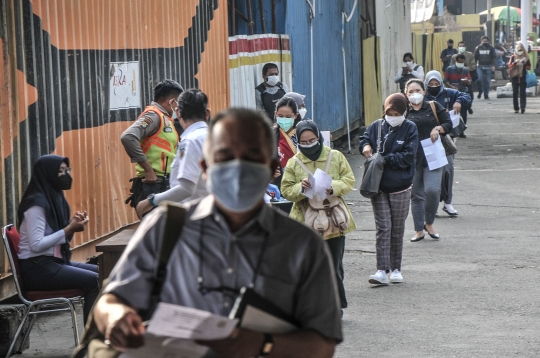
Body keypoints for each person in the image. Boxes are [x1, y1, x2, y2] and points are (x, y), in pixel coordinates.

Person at [93, 108, 342, 357]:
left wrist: (261, 344)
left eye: (252, 156)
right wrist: (117, 318)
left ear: (273, 167)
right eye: (225, 156)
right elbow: (111, 300)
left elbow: (322, 345)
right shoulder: (165, 226)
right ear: (204, 166)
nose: (238, 167)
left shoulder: (302, 245)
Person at [281, 120, 356, 312]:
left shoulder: (336, 156)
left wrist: (333, 188)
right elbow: (286, 190)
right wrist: (301, 188)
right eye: (303, 142)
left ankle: (335, 305)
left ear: (319, 138)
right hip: (305, 222)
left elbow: (349, 180)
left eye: (312, 140)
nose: (308, 144)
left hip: (333, 222)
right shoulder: (293, 163)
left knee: (333, 265)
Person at [17, 155, 98, 323]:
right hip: (37, 269)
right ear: (47, 174)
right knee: (95, 281)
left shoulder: (53, 198)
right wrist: (69, 229)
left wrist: (72, 224)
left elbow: (57, 236)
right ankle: (90, 342)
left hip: (51, 263)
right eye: (60, 172)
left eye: (66, 170)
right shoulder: (36, 205)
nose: (65, 175)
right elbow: (36, 245)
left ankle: (106, 332)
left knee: (105, 271)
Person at [358, 94, 418, 285]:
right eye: (389, 113)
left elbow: (408, 156)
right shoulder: (377, 126)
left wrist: (385, 158)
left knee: (397, 229)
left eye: (397, 113)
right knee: (383, 227)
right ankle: (381, 270)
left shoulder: (410, 128)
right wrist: (366, 146)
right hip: (378, 186)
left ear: (404, 112)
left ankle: (396, 268)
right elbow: (364, 138)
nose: (392, 116)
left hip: (401, 186)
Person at [135, 89, 210, 218]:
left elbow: (187, 188)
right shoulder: (216, 136)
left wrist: (151, 201)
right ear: (207, 113)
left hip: (195, 216)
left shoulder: (190, 141)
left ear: (178, 113)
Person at [122, 80, 184, 208]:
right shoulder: (153, 116)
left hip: (163, 183)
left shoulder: (165, 118)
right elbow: (128, 137)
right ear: (172, 102)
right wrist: (148, 169)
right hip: (153, 184)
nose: (179, 108)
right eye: (178, 104)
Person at [404, 79, 452, 242]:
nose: (414, 94)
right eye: (410, 92)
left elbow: (448, 123)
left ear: (424, 91)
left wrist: (438, 128)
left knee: (432, 191)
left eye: (417, 90)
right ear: (406, 93)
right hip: (411, 158)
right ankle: (419, 229)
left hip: (433, 155)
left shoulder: (433, 106)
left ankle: (429, 222)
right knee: (416, 195)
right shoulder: (404, 110)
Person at [424, 71, 470, 217]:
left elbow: (466, 96)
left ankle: (448, 202)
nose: (433, 86)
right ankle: (432, 205)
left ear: (441, 83)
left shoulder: (449, 93)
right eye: (430, 84)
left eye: (436, 83)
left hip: (445, 137)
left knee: (448, 169)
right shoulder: (423, 96)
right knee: (432, 172)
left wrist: (459, 101)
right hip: (428, 139)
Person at [273, 96, 302, 188]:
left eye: (288, 116)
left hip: (302, 180)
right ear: (276, 114)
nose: (284, 119)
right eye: (280, 116)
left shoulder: (303, 133)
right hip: (278, 182)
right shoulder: (268, 135)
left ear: (295, 115)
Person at [444, 54, 472, 133]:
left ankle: (462, 130)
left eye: (462, 62)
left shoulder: (465, 70)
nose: (461, 63)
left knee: (463, 112)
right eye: (459, 62)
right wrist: (452, 87)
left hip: (463, 91)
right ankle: (453, 129)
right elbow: (445, 80)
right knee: (452, 111)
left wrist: (467, 81)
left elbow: (470, 81)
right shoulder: (449, 69)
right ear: (456, 61)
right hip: (452, 92)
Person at [451, 41, 476, 114]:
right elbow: (451, 67)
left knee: (470, 94)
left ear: (465, 47)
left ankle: (469, 106)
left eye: (463, 46)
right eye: (460, 46)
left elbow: (472, 66)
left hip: (467, 77)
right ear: (457, 47)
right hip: (456, 79)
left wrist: (463, 68)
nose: (461, 47)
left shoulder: (470, 55)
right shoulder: (454, 57)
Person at [508, 43, 531, 114]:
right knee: (515, 93)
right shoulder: (513, 57)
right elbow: (509, 66)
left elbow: (529, 67)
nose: (520, 51)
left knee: (522, 93)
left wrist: (523, 64)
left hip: (522, 76)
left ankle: (523, 107)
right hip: (514, 77)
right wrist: (515, 63)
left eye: (521, 50)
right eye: (518, 50)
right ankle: (516, 108)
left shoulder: (526, 57)